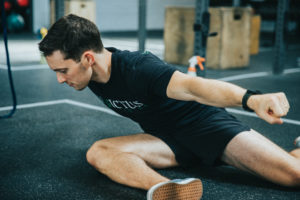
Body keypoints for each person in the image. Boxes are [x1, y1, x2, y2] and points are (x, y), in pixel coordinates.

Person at [38, 14, 300, 200]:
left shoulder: (139, 68)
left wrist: (251, 99)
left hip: (207, 128)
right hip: (166, 140)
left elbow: (193, 87)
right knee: (99, 151)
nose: (61, 79)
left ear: (87, 58)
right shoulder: (91, 74)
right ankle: (171, 191)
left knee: (294, 176)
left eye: (63, 70)